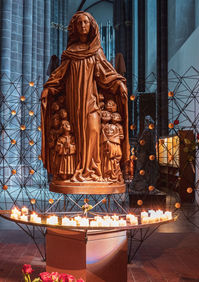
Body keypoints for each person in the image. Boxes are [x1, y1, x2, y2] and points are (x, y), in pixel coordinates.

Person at [41, 11, 129, 183]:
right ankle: (77, 170)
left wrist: (118, 84)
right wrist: (48, 89)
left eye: (86, 23)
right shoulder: (70, 53)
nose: (83, 26)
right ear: (74, 27)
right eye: (80, 23)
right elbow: (59, 76)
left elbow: (105, 75)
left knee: (93, 130)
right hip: (74, 103)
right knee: (77, 135)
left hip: (91, 102)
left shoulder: (96, 52)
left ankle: (93, 170)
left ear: (91, 26)